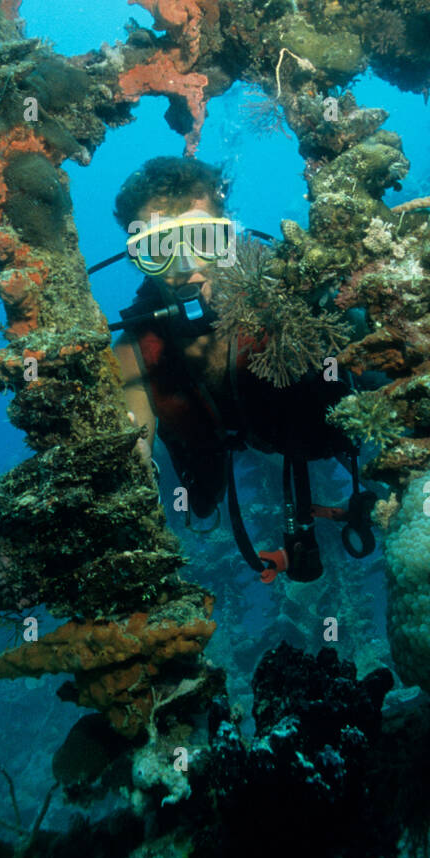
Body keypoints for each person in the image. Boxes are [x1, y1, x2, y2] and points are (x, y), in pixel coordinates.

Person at [107, 157, 375, 583]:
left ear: (229, 234)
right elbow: (133, 448)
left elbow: (360, 353)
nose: (186, 268)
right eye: (159, 250)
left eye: (203, 240)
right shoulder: (135, 350)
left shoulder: (289, 290)